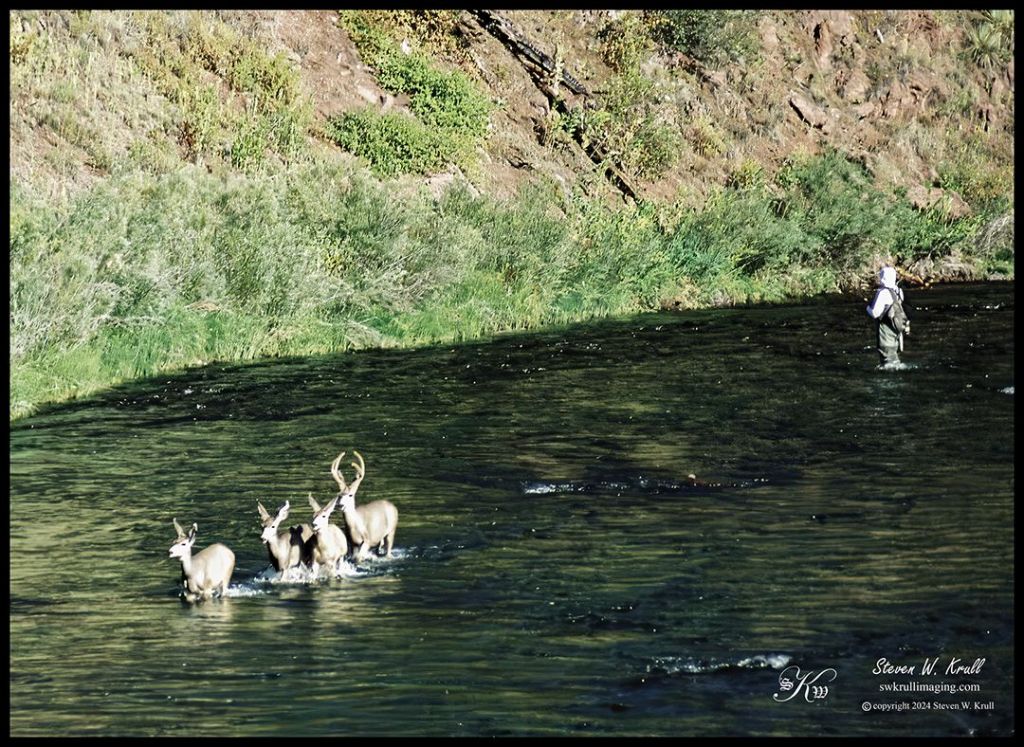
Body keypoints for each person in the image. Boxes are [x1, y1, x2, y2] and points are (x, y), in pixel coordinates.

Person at [866, 265, 909, 366]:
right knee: (895, 361)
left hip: (886, 336)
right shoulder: (899, 291)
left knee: (887, 363)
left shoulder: (883, 293)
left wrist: (867, 308)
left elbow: (875, 313)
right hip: (897, 334)